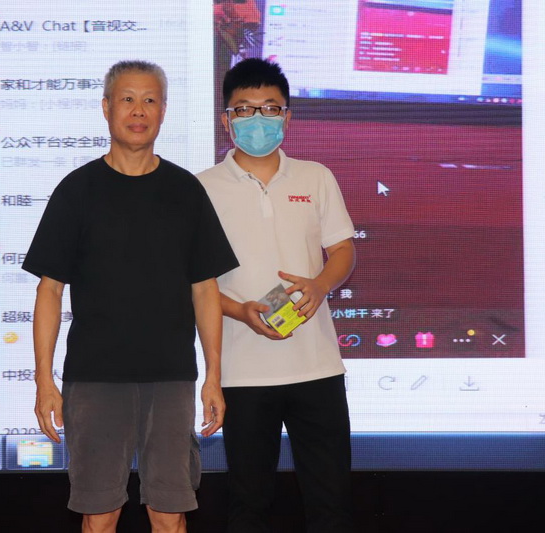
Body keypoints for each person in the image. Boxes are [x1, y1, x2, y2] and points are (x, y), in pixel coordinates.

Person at [22, 60, 238, 533]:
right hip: (94, 380)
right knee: (99, 516)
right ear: (106, 108)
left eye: (149, 100)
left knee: (169, 514)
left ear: (163, 112)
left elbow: (205, 288)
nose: (138, 111)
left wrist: (214, 377)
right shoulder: (77, 190)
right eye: (127, 99)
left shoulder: (185, 191)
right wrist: (43, 380)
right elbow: (49, 290)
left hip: (171, 379)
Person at [197, 58, 357, 532]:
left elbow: (343, 250)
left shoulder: (315, 176)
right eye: (244, 109)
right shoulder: (200, 188)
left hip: (318, 367)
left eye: (270, 108)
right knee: (249, 504)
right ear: (226, 119)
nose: (258, 119)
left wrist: (321, 284)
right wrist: (240, 311)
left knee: (331, 503)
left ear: (287, 116)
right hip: (242, 372)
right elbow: (195, 283)